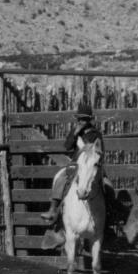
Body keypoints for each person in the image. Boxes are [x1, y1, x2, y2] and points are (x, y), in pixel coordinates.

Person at [41, 100, 105, 249]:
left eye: (83, 119)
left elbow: (99, 152)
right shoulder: (75, 131)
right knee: (61, 177)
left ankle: (109, 216)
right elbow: (67, 147)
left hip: (92, 166)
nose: (80, 122)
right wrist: (75, 134)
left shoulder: (95, 134)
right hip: (76, 164)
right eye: (79, 119)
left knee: (107, 186)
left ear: (89, 120)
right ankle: (53, 209)